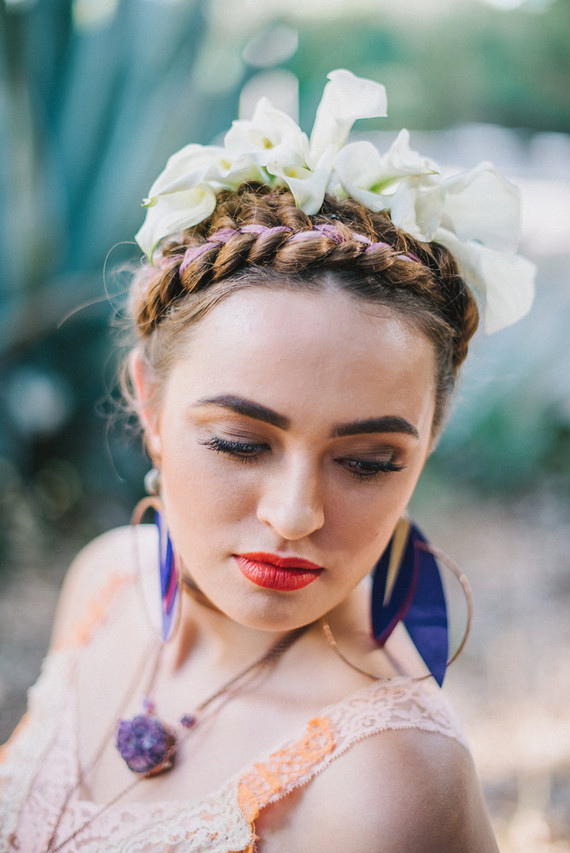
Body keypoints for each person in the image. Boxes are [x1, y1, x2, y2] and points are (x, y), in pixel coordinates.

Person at [0, 69, 534, 852]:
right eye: (240, 443)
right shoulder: (107, 583)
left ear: (432, 436)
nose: (293, 514)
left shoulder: (388, 782)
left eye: (368, 460)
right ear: (148, 405)